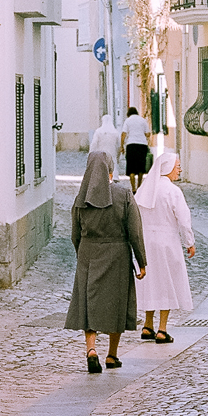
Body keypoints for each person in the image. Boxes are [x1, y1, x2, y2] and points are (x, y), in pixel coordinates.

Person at [65, 151, 148, 373]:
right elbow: (135, 232)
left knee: (88, 304)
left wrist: (82, 254)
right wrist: (141, 261)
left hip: (88, 254)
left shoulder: (80, 199)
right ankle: (112, 355)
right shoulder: (123, 195)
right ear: (111, 170)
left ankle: (91, 350)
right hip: (118, 254)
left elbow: (75, 234)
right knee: (116, 303)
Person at [133, 149, 195, 344]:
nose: (180, 170)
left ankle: (147, 325)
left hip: (146, 242)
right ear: (168, 168)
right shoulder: (173, 191)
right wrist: (189, 242)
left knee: (151, 283)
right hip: (167, 242)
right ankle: (162, 329)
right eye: (177, 167)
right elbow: (184, 220)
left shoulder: (145, 189)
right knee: (166, 283)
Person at [120, 106, 152, 193]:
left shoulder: (128, 120)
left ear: (128, 114)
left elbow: (123, 134)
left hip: (131, 144)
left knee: (131, 167)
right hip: (142, 145)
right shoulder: (142, 120)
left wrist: (121, 146)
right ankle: (139, 186)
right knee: (141, 166)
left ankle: (133, 188)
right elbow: (148, 134)